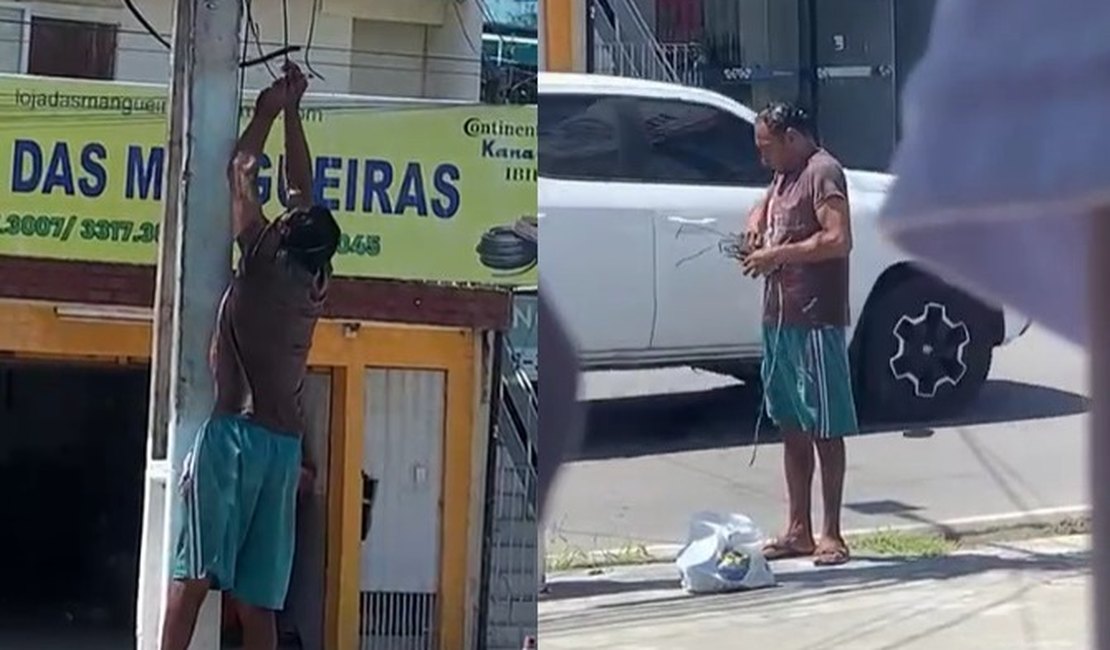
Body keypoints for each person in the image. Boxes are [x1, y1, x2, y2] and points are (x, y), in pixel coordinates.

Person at [161, 61, 341, 650]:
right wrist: (293, 111)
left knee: (192, 578)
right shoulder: (315, 279)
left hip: (235, 436)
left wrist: (266, 110)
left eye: (285, 218)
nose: (282, 212)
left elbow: (240, 167)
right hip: (283, 451)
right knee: (257, 602)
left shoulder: (263, 259)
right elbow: (303, 193)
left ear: (282, 235)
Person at [739, 102, 856, 567]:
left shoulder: (823, 172)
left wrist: (779, 255)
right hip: (779, 318)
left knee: (824, 424)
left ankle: (831, 532)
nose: (762, 157)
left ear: (791, 137)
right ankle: (798, 529)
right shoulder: (782, 176)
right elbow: (762, 205)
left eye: (766, 147)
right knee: (791, 424)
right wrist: (753, 229)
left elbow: (838, 239)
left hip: (815, 319)